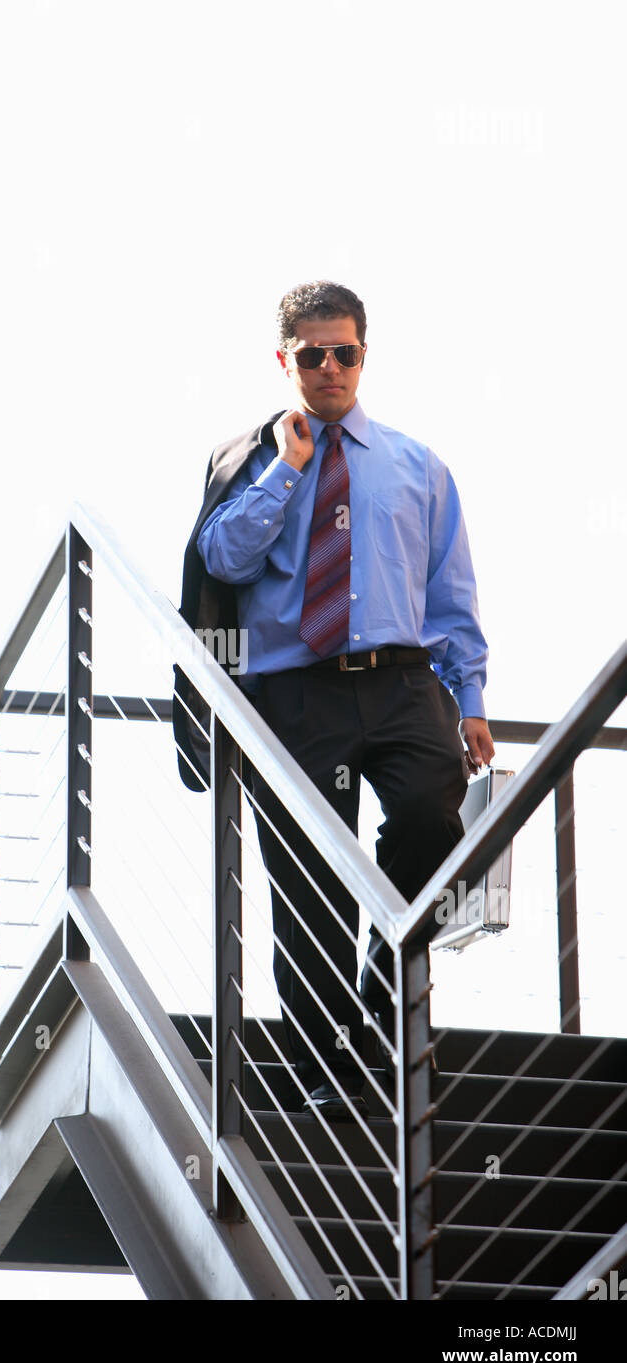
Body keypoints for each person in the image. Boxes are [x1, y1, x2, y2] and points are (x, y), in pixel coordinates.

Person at [173, 280, 494, 1119]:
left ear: (363, 355)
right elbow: (225, 559)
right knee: (311, 882)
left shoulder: (417, 465)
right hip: (294, 694)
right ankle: (328, 1068)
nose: (328, 368)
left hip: (401, 685)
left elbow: (450, 595)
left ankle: (379, 1004)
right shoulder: (250, 461)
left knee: (431, 818)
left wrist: (472, 698)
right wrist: (289, 470)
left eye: (343, 352)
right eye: (311, 355)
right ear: (285, 361)